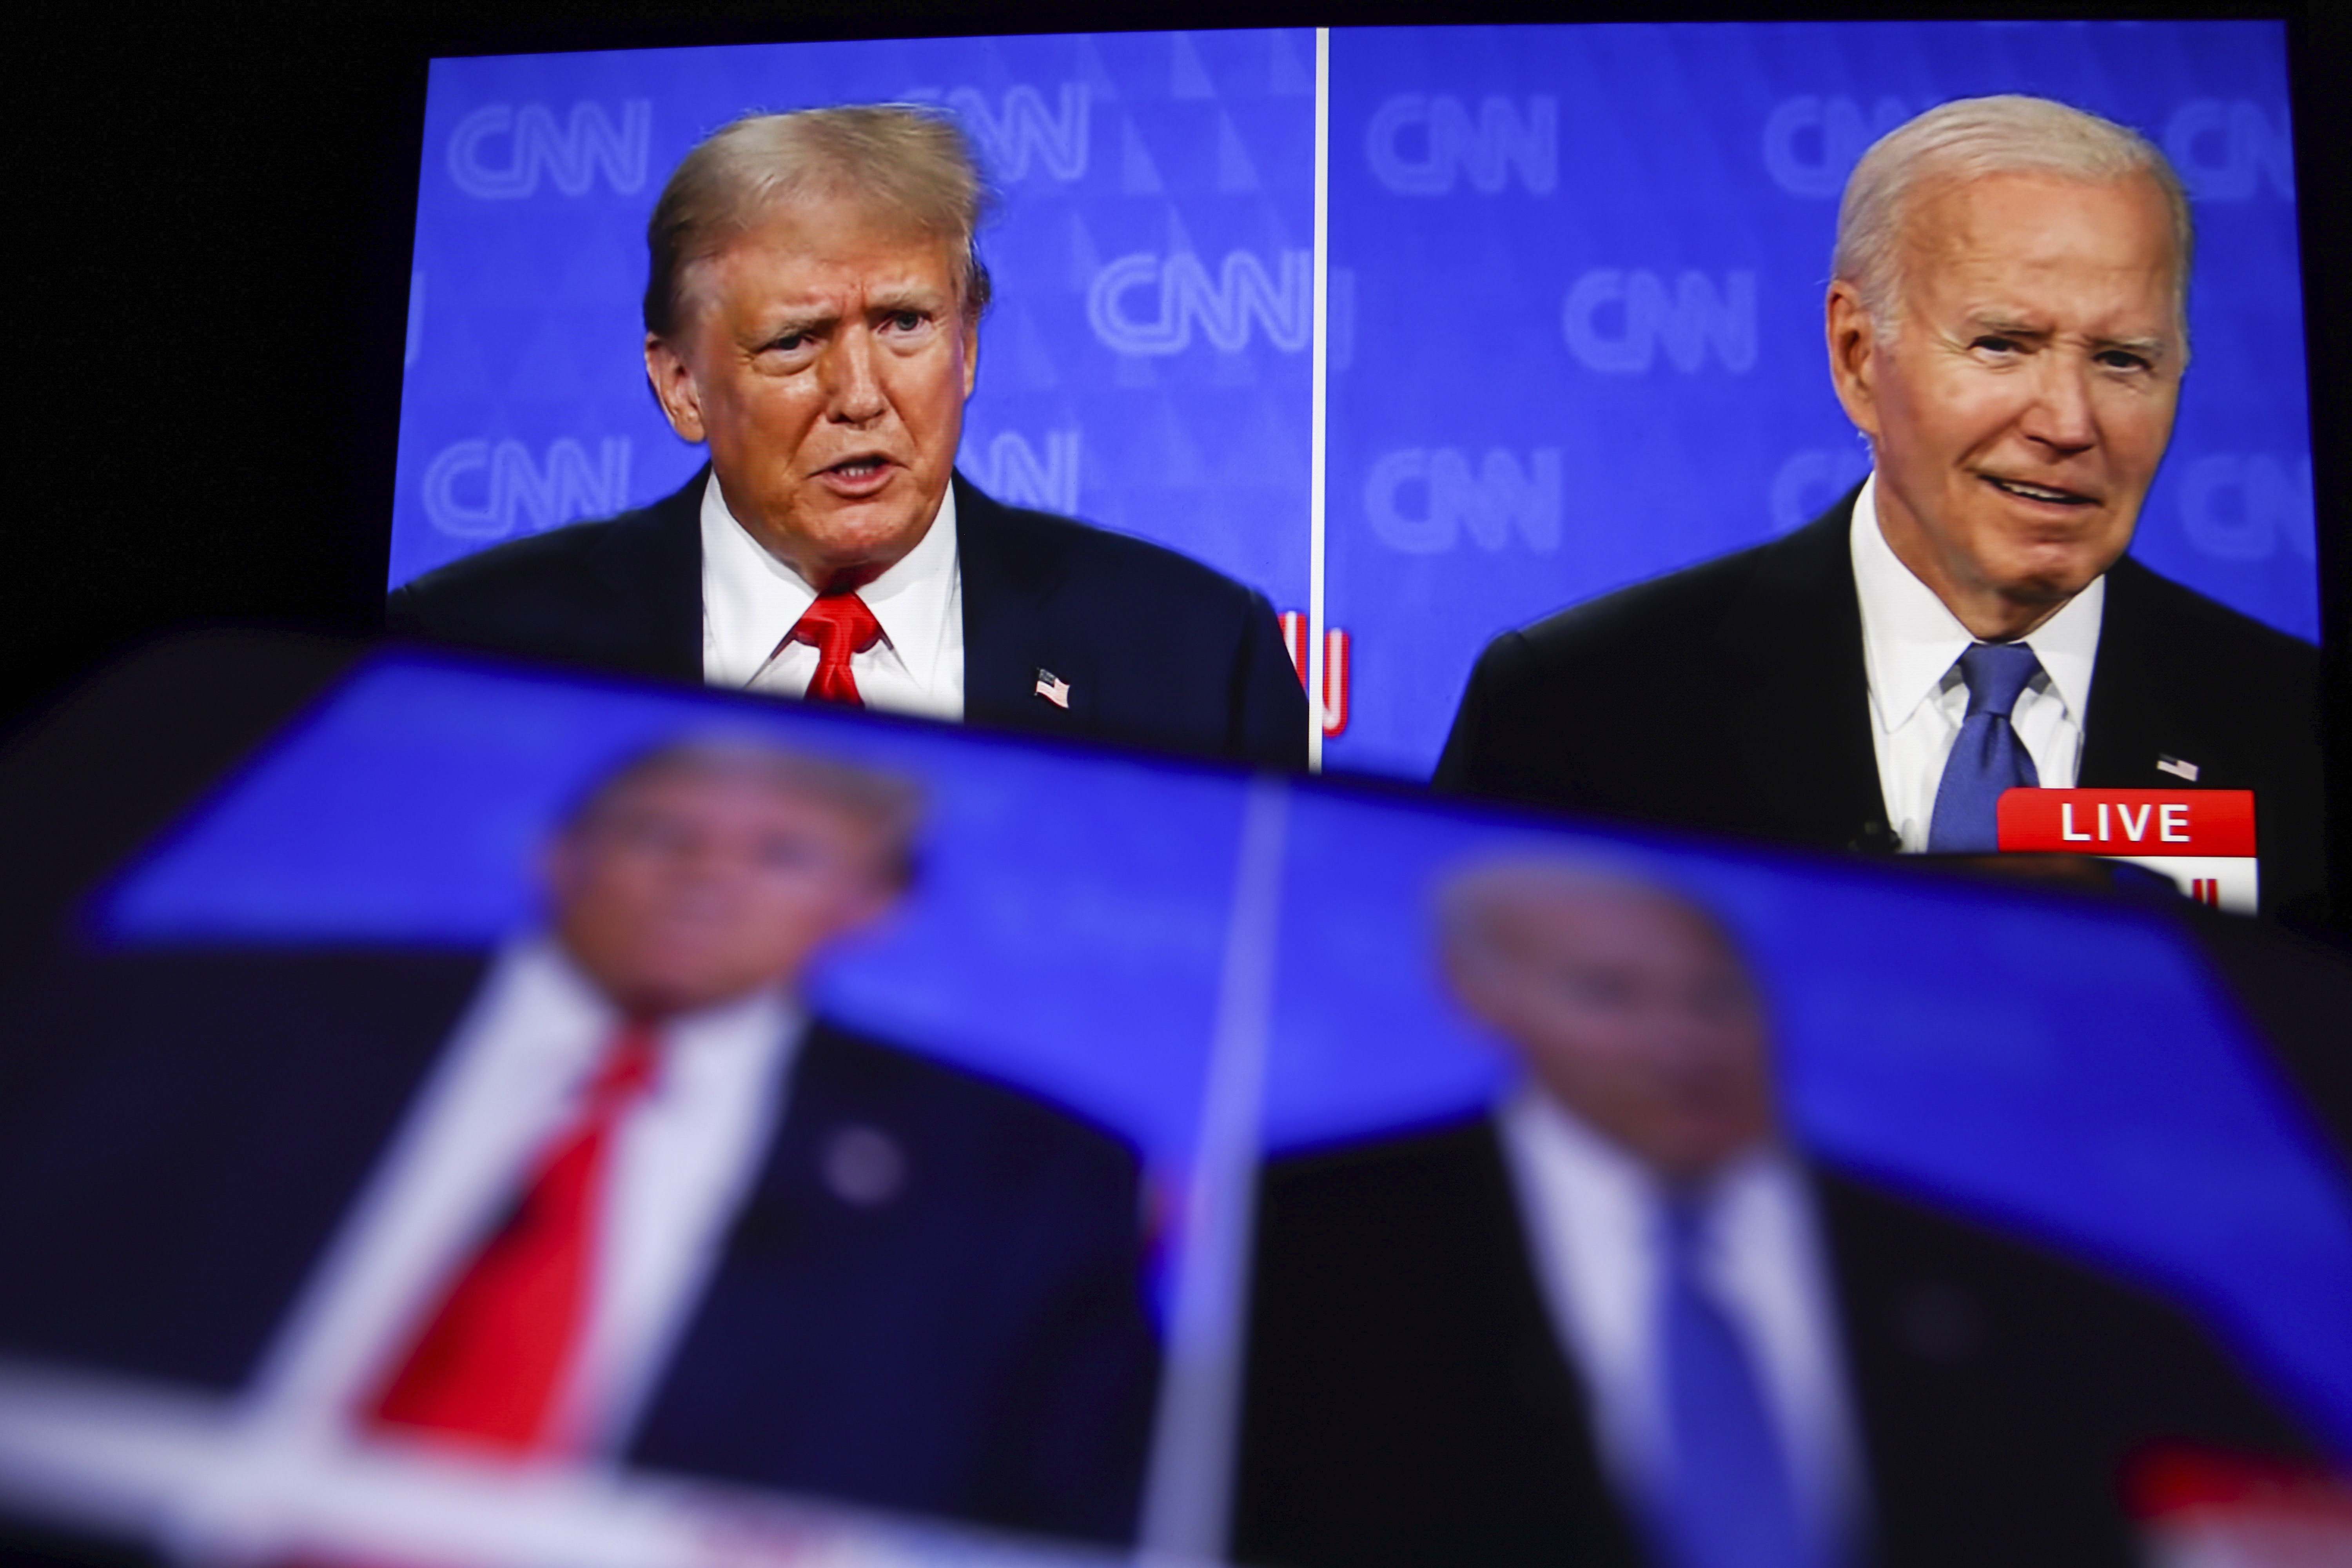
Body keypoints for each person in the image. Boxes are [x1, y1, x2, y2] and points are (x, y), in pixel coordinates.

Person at [0, 739, 1159, 1550]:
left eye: (785, 854)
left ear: (873, 906)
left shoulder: (1024, 1177)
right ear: (555, 855)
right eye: (662, 831)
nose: (711, 874)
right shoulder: (195, 1022)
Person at [1231, 859, 2316, 1568]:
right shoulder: (1302, 1240)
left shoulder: (2048, 1301)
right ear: (1481, 992)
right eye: (1610, 994)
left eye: (1716, 997)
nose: (1682, 1043)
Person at [1434, 96, 2325, 916]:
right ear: (1859, 355)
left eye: (2124, 359)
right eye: (2003, 344)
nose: (2069, 422)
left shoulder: (2302, 729)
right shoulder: (1579, 710)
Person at [388, 105, 1308, 771]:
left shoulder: (1199, 658)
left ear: (969, 344)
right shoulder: (461, 655)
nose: (860, 396)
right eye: (796, 340)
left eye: (906, 322)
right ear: (681, 386)